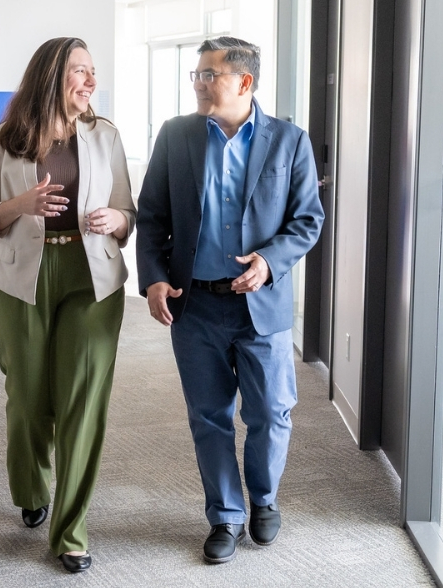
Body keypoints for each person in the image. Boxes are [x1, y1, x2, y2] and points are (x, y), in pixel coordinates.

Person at [136, 36, 324, 565]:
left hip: (260, 306)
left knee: (271, 412)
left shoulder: (289, 141)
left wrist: (269, 262)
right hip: (194, 305)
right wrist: (152, 277)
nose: (197, 83)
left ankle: (263, 498)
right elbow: (151, 215)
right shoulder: (176, 137)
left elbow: (307, 220)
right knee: (209, 415)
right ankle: (225, 514)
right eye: (196, 74)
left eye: (208, 74)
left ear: (244, 82)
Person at [0, 37, 135, 573]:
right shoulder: (6, 139)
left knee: (82, 404)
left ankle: (71, 532)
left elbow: (127, 209)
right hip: (23, 280)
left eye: (92, 71)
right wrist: (21, 205)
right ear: (50, 77)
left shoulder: (105, 135)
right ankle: (32, 488)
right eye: (78, 72)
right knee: (28, 398)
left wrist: (119, 221)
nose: (89, 81)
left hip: (93, 280)